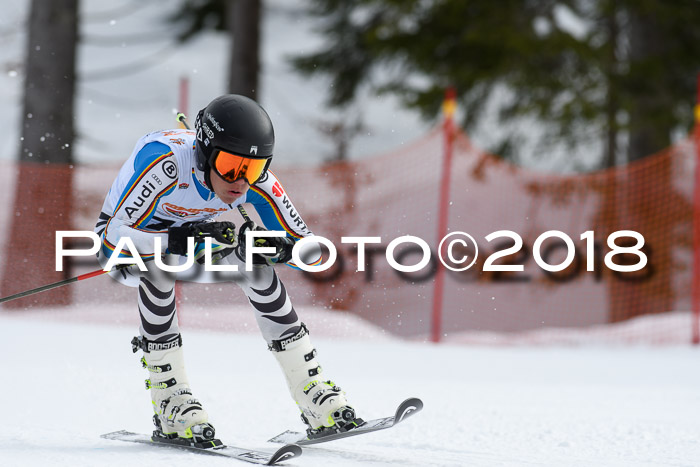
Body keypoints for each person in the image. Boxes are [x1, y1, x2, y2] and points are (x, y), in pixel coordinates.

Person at [94, 94, 360, 445]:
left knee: (256, 265)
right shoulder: (166, 163)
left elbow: (313, 252)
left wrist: (281, 248)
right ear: (205, 153)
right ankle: (170, 402)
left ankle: (311, 390)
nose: (241, 181)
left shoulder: (256, 180)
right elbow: (113, 240)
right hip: (127, 245)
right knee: (160, 267)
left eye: (253, 168)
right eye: (232, 166)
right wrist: (176, 239)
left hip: (197, 239)